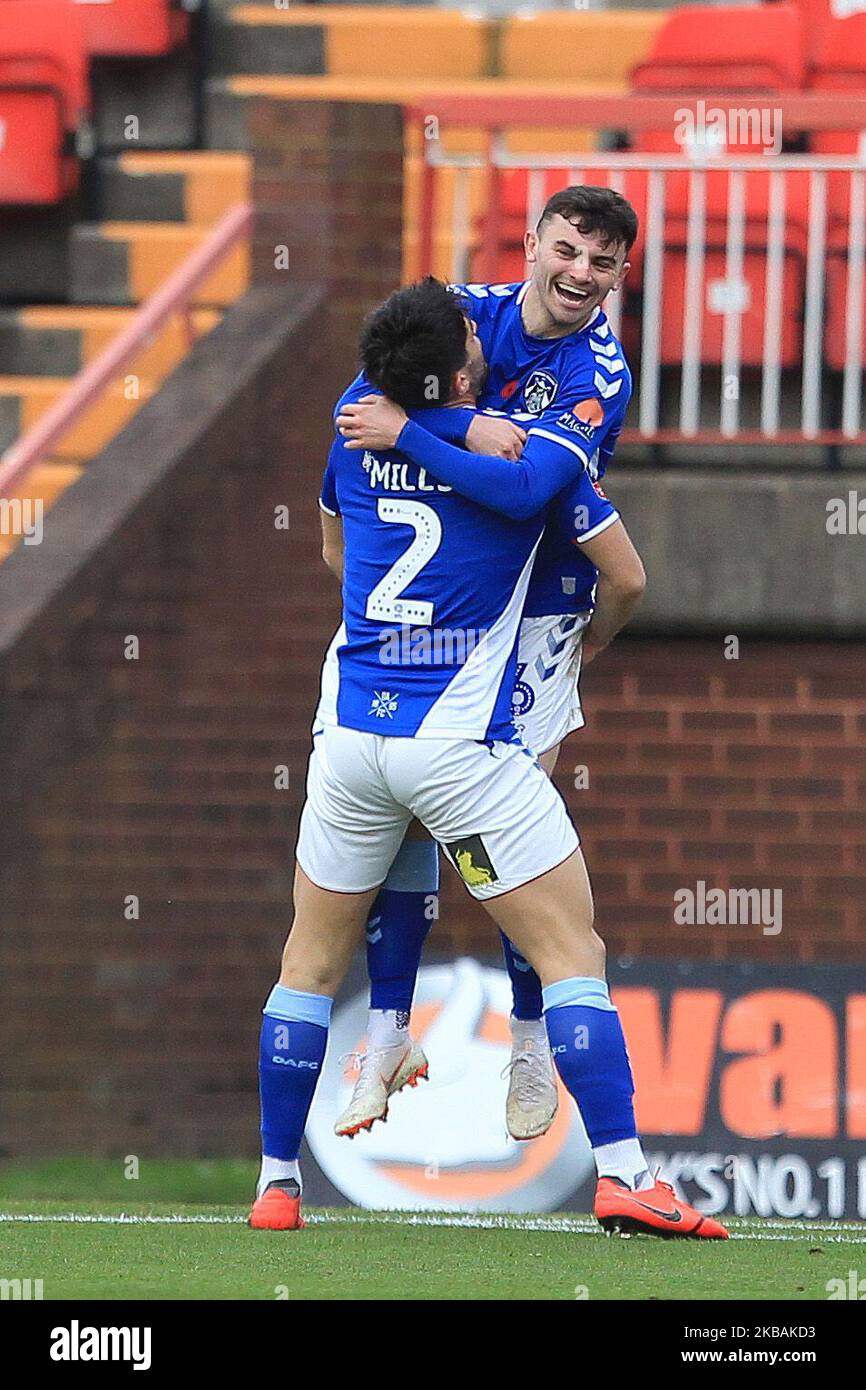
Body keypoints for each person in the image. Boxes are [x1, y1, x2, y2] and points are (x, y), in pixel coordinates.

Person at [249, 278, 728, 1240]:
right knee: (572, 953)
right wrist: (469, 441)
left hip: (349, 735)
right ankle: (627, 1175)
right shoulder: (516, 460)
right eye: (473, 334)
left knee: (304, 965)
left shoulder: (353, 442)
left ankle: (275, 1184)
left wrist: (420, 437)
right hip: (459, 746)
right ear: (464, 370)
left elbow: (337, 553)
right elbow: (592, 548)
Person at [332, 186, 639, 1141]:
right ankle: (387, 1029)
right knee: (403, 804)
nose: (580, 275)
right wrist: (455, 425)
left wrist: (421, 431)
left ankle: (533, 1034)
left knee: (518, 832)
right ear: (534, 245)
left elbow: (524, 492)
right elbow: (360, 396)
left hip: (540, 611)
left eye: (602, 262)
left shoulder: (597, 369)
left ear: (621, 273)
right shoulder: (467, 312)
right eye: (568, 250)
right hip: (445, 603)